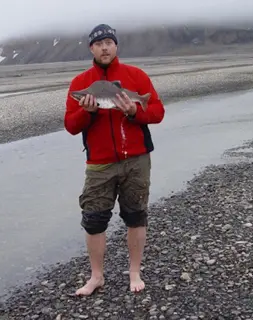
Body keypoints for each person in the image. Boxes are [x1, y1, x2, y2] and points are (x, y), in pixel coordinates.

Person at [63, 24, 165, 295]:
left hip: (137, 159)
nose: (105, 47)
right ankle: (96, 276)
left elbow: (157, 111)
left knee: (135, 216)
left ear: (116, 46)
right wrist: (89, 113)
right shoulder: (80, 85)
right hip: (99, 162)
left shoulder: (136, 76)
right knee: (94, 219)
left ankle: (134, 271)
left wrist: (134, 111)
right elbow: (71, 125)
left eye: (109, 42)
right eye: (99, 43)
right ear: (91, 49)